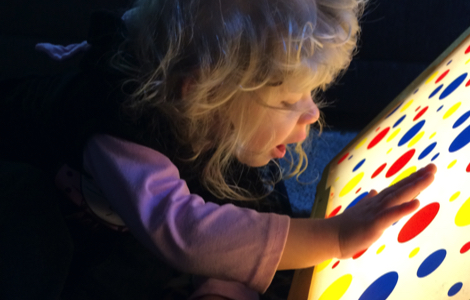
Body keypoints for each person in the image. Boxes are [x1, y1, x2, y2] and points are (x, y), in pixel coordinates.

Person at [0, 0, 437, 299]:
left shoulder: (209, 113)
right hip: (34, 178)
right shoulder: (121, 135)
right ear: (200, 95)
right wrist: (335, 238)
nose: (311, 115)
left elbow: (242, 221)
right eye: (288, 102)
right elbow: (187, 233)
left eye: (310, 93)